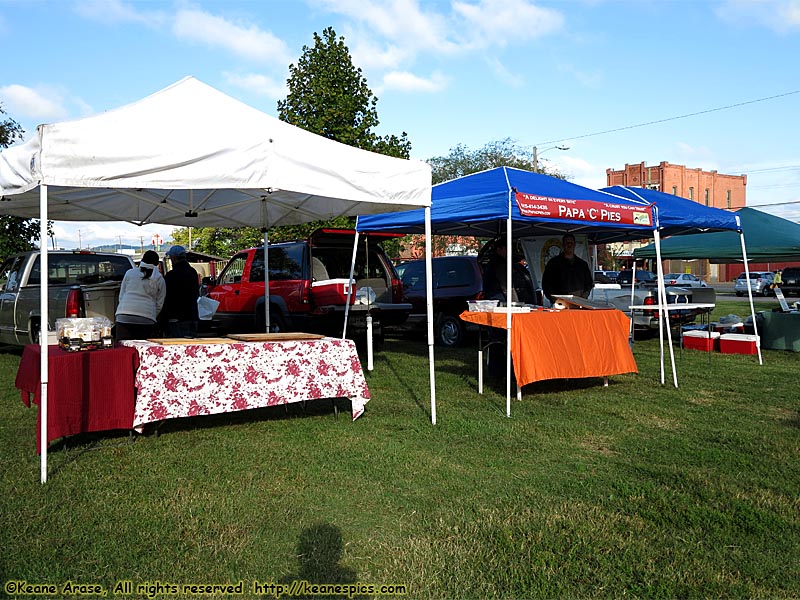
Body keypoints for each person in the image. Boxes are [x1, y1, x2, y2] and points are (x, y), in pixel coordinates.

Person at [115, 250, 166, 341]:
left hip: (124, 314)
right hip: (146, 317)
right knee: (143, 348)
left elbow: (122, 295)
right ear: (157, 263)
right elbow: (159, 303)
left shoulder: (130, 273)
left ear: (142, 260)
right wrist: (152, 314)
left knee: (123, 346)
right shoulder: (159, 278)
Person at [541, 233, 594, 303]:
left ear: (574, 244)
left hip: (579, 303)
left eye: (571, 243)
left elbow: (589, 284)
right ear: (563, 245)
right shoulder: (553, 263)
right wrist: (554, 299)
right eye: (567, 243)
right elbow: (546, 284)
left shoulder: (582, 265)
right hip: (560, 304)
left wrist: (583, 298)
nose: (569, 245)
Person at [161, 245, 200, 338]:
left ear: (173, 258)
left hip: (176, 318)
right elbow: (196, 293)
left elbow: (166, 297)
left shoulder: (171, 275)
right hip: (192, 315)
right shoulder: (192, 272)